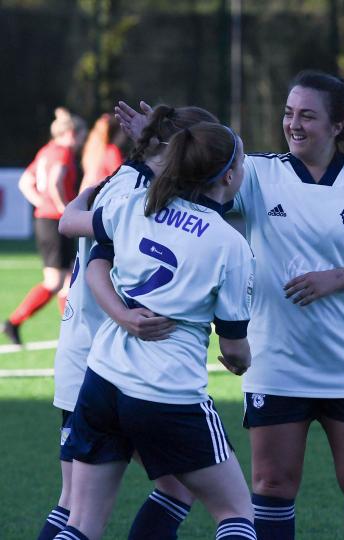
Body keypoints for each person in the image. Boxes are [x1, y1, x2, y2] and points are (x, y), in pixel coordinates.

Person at [116, 69, 344, 539]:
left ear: (337, 125)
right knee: (272, 485)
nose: (293, 124)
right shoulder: (260, 173)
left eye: (307, 116)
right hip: (276, 359)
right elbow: (199, 184)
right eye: (289, 113)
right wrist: (161, 148)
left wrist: (332, 279)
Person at [55, 122, 257, 540]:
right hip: (167, 390)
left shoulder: (137, 205)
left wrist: (93, 189)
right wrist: (242, 362)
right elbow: (234, 346)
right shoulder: (229, 244)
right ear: (230, 176)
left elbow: (86, 244)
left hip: (103, 379)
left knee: (81, 523)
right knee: (235, 511)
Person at [4, 108, 87, 345]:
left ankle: (72, 331)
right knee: (55, 282)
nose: (82, 141)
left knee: (70, 279)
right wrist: (62, 209)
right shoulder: (63, 152)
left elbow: (25, 182)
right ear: (72, 133)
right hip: (54, 222)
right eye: (82, 135)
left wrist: (41, 203)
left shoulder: (46, 151)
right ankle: (14, 322)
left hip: (47, 219)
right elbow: (55, 181)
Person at [80, 113, 125, 192]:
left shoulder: (92, 149)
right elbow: (119, 178)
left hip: (89, 193)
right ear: (116, 134)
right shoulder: (112, 151)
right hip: (103, 194)